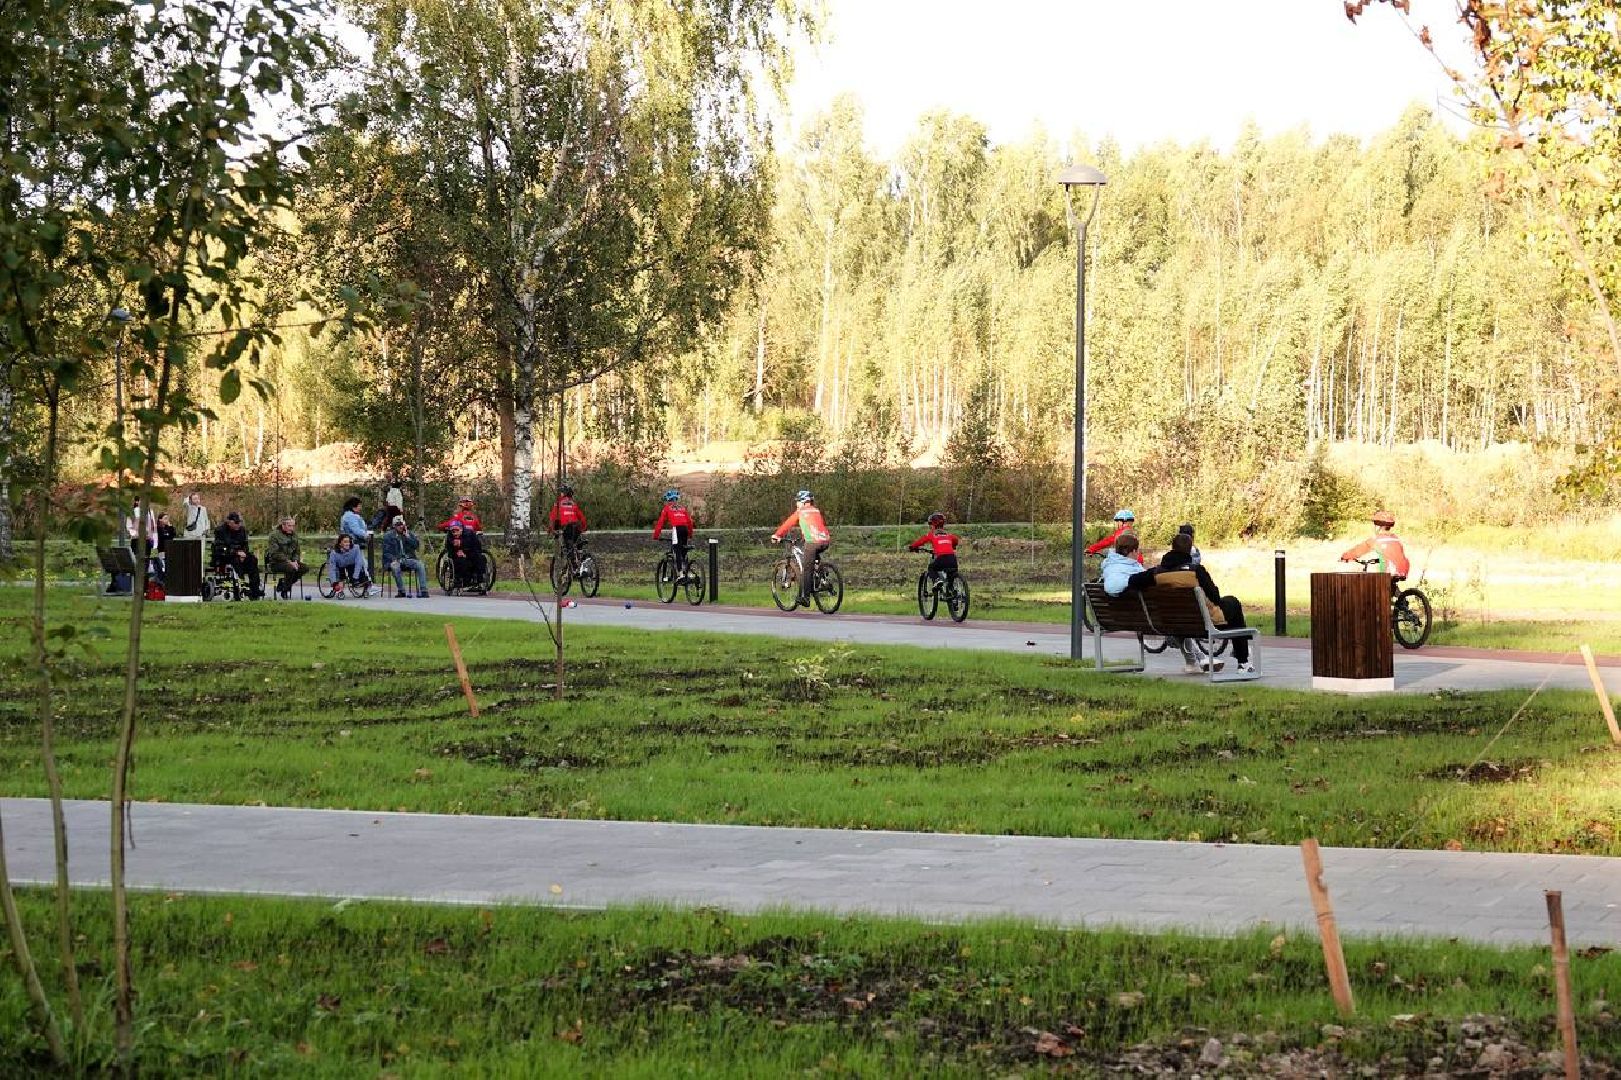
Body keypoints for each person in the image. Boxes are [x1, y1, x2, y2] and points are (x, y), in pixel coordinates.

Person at [1127, 532, 1251, 675]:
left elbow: (1132, 581)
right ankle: (1243, 661)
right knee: (1233, 603)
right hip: (1203, 622)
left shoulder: (1156, 573)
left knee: (1230, 605)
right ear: (1190, 550)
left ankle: (1239, 656)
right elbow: (1215, 597)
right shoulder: (1196, 571)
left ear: (1172, 548)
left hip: (1172, 622)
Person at [770, 489, 831, 609]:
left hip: (813, 542)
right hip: (825, 541)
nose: (796, 504)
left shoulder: (801, 511)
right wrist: (804, 537)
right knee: (814, 562)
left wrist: (777, 535)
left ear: (803, 502)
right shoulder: (816, 511)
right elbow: (814, 526)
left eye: (797, 501)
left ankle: (805, 598)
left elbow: (787, 524)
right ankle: (822, 577)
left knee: (807, 569)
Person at [1339, 510, 1409, 582]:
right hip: (1403, 571)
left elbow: (1358, 550)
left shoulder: (1376, 539)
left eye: (1375, 525)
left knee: (1370, 587)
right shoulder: (1395, 538)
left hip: (1387, 572)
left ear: (1378, 526)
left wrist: (1345, 556)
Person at [213, 511, 262, 599]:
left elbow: (245, 544)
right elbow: (220, 546)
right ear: (229, 522)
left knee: (253, 560)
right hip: (226, 555)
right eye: (236, 523)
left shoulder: (242, 530)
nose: (238, 525)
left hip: (241, 554)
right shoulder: (220, 531)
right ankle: (240, 585)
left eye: (239, 522)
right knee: (235, 561)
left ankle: (255, 589)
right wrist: (235, 552)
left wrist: (244, 553)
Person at [907, 511, 961, 585]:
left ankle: (937, 580)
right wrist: (953, 546)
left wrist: (912, 547)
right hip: (952, 559)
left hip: (941, 558)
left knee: (931, 568)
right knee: (951, 575)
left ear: (932, 524)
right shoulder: (949, 535)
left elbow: (921, 541)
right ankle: (952, 591)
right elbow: (956, 540)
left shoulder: (932, 534)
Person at [651, 489, 695, 579]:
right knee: (684, 551)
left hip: (677, 528)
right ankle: (688, 572)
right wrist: (690, 534)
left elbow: (660, 522)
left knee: (677, 550)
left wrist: (656, 535)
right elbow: (690, 522)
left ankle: (680, 573)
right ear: (676, 499)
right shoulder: (682, 508)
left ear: (668, 500)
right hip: (685, 529)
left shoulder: (667, 508)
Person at [382, 516, 430, 598]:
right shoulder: (388, 536)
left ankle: (424, 590)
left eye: (402, 524)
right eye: (398, 525)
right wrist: (394, 559)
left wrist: (408, 537)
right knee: (395, 566)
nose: (401, 526)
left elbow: (415, 546)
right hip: (394, 560)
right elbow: (386, 552)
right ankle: (401, 591)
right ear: (394, 526)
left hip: (407, 559)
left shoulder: (408, 534)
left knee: (420, 565)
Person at [265, 516, 308, 599]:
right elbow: (275, 553)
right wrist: (289, 562)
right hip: (276, 562)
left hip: (291, 562)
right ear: (283, 525)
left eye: (293, 526)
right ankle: (285, 590)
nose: (292, 528)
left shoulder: (294, 535)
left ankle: (284, 584)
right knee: (290, 568)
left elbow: (296, 551)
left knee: (304, 568)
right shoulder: (274, 535)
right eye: (289, 526)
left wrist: (295, 561)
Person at [445, 519, 485, 591]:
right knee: (461, 561)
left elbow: (477, 547)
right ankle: (465, 582)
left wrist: (465, 551)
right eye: (453, 531)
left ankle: (480, 581)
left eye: (457, 531)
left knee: (480, 558)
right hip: (457, 556)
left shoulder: (469, 534)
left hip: (471, 552)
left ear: (461, 529)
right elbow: (449, 549)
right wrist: (456, 552)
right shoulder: (450, 537)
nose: (455, 533)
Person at [547, 483, 587, 555]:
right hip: (576, 526)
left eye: (561, 493)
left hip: (567, 528)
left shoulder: (558, 504)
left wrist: (551, 530)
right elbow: (582, 518)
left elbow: (552, 517)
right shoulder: (573, 503)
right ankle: (580, 557)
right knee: (577, 543)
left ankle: (574, 562)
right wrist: (583, 528)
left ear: (564, 494)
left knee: (568, 548)